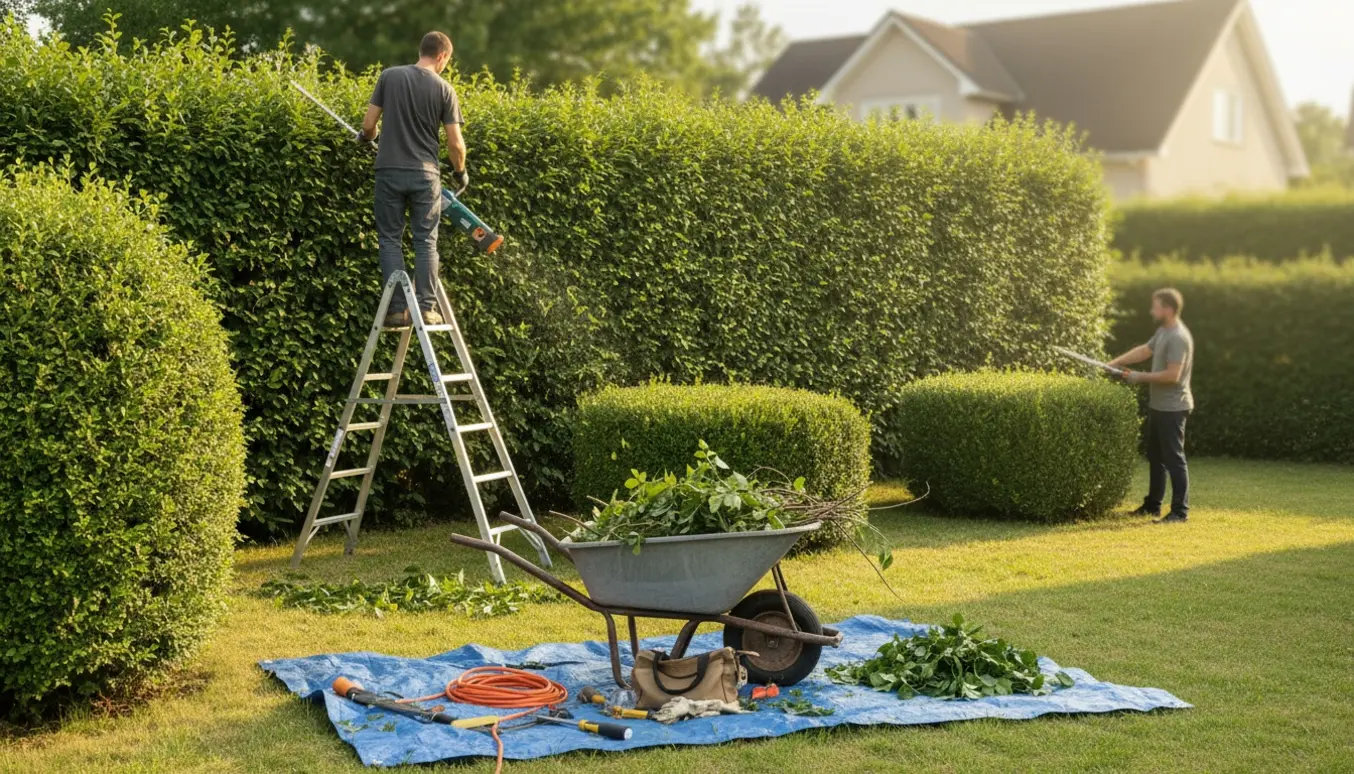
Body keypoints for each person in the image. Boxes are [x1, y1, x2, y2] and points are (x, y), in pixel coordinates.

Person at [357, 31, 468, 328]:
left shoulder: (389, 77)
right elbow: (456, 144)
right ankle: (427, 308)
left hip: (389, 171)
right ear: (442, 56)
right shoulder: (445, 89)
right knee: (425, 241)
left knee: (390, 239)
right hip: (425, 175)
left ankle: (396, 310)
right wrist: (460, 173)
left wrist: (369, 138)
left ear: (422, 51)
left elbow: (368, 125)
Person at [1108, 288, 1195, 523]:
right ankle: (1152, 505)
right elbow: (1145, 350)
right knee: (1155, 456)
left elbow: (1172, 375)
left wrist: (1139, 377)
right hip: (1159, 406)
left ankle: (1179, 512)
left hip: (1174, 407)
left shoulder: (1178, 336)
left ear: (1167, 308)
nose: (1152, 310)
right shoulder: (1163, 331)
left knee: (1174, 459)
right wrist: (1115, 363)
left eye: (1156, 306)